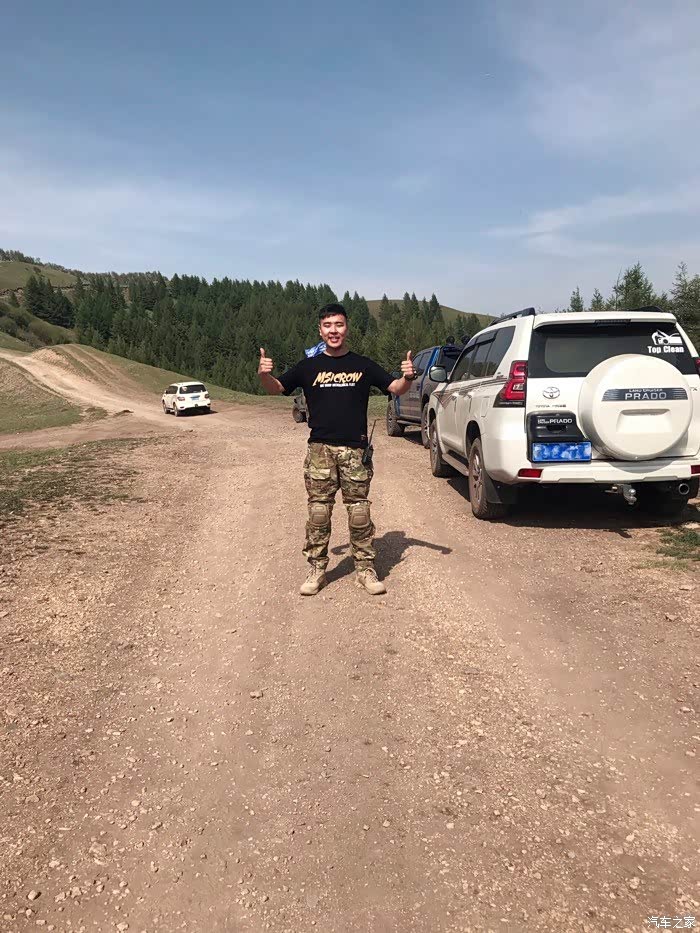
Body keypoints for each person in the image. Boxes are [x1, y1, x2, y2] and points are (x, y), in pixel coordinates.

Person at [257, 302, 416, 596]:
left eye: (339, 325)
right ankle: (317, 569)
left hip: (355, 451)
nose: (334, 331)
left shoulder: (363, 365)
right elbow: (277, 388)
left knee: (359, 512)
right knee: (318, 512)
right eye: (328, 325)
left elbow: (395, 388)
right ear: (320, 330)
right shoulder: (308, 366)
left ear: (346, 328)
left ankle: (365, 569)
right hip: (320, 451)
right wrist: (265, 375)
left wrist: (407, 377)